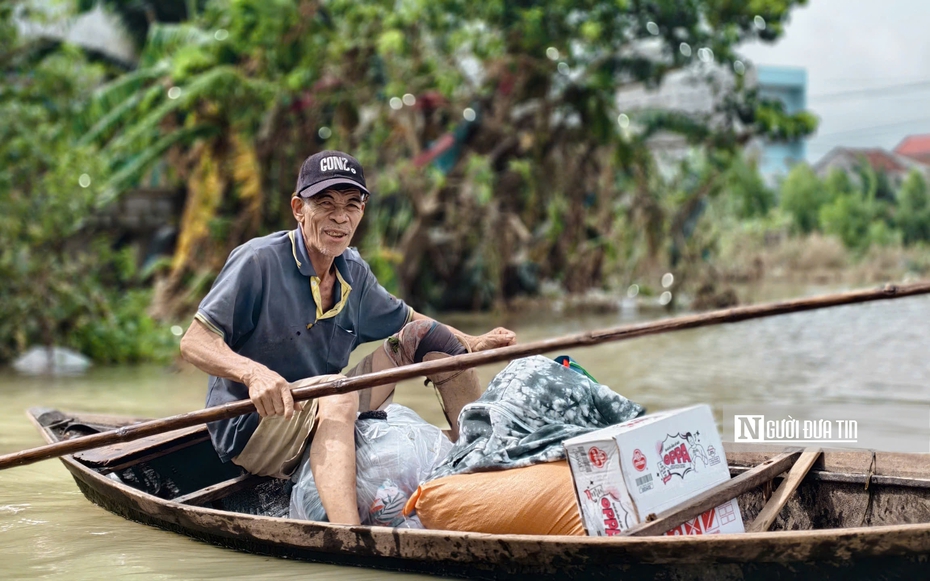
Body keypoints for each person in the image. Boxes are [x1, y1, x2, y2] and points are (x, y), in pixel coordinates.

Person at [179, 150, 515, 525]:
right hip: (256, 425)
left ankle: (483, 470)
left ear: (362, 211)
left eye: (351, 205)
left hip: (323, 408)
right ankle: (348, 534)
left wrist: (471, 342)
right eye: (326, 204)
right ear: (298, 208)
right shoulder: (258, 261)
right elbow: (194, 341)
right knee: (337, 391)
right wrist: (252, 374)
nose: (340, 217)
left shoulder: (352, 271)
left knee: (428, 337)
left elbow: (411, 319)